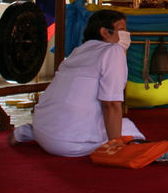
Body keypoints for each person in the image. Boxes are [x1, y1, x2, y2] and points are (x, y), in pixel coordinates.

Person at [8, 9, 144, 157]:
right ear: (105, 32)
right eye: (122, 30)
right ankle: (111, 145)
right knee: (129, 129)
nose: (126, 34)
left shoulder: (79, 51)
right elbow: (110, 104)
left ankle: (24, 132)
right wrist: (116, 146)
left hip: (42, 130)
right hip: (69, 144)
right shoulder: (113, 51)